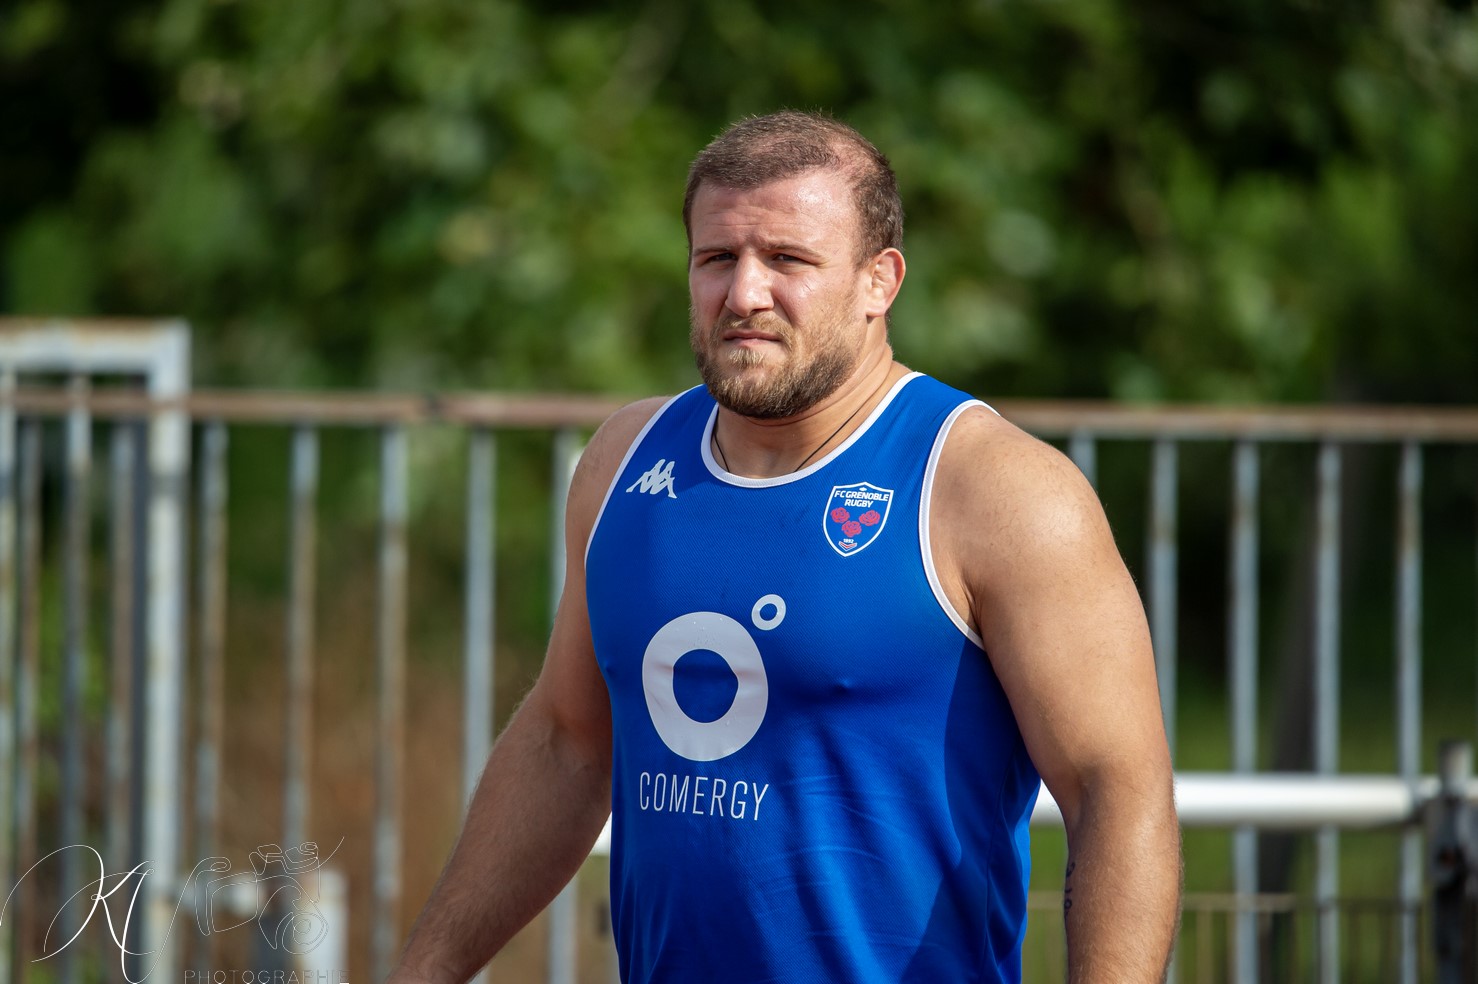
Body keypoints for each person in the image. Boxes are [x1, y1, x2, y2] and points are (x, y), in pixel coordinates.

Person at [388, 111, 1180, 983]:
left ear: (880, 281)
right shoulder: (622, 461)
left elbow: (1117, 790)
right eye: (717, 259)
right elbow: (567, 744)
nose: (744, 294)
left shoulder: (994, 489)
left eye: (789, 261)